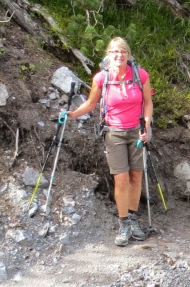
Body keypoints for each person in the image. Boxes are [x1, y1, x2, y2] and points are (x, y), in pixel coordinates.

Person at [65, 37, 153, 246]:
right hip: (113, 133)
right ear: (109, 54)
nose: (119, 55)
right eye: (115, 51)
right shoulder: (101, 78)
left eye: (123, 51)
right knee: (121, 179)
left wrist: (147, 126)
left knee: (136, 176)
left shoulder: (140, 75)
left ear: (128, 55)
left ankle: (133, 219)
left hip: (137, 132)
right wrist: (72, 114)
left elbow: (148, 103)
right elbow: (90, 103)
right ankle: (123, 223)